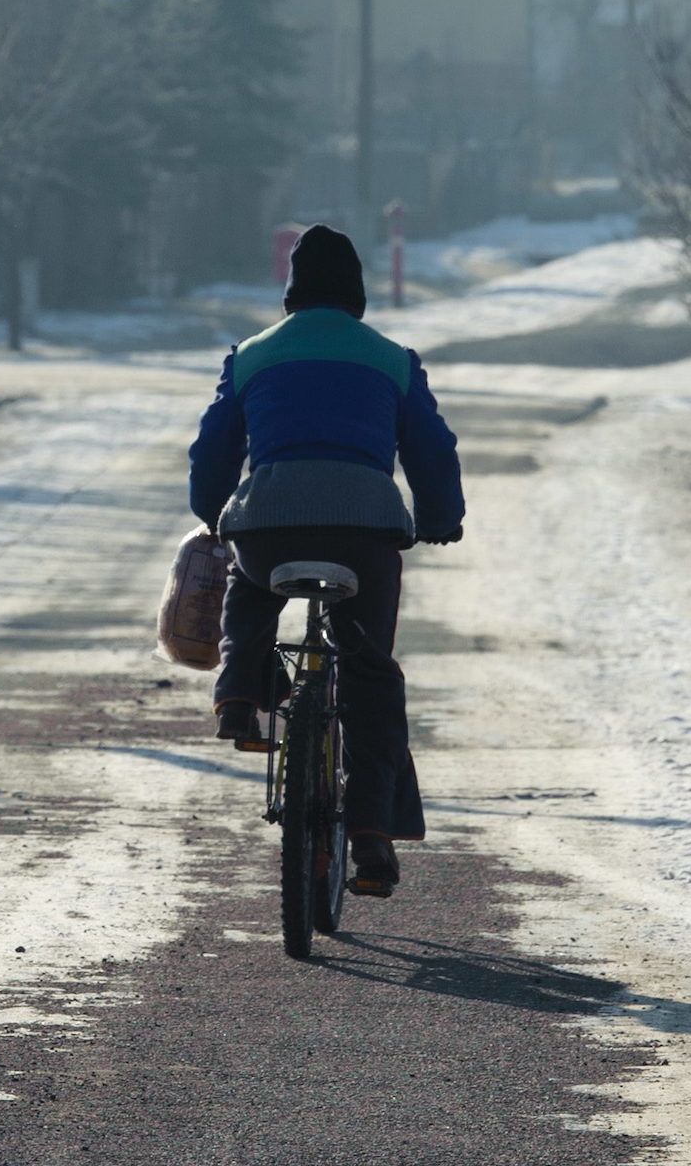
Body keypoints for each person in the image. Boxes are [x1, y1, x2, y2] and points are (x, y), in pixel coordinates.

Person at [187, 223, 464, 899]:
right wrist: (439, 520)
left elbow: (213, 449)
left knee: (251, 589)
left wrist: (210, 513)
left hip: (271, 527)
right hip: (364, 535)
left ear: (290, 295)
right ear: (357, 296)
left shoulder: (249, 356)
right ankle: (370, 831)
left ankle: (238, 692)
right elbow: (432, 449)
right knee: (368, 671)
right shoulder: (394, 359)